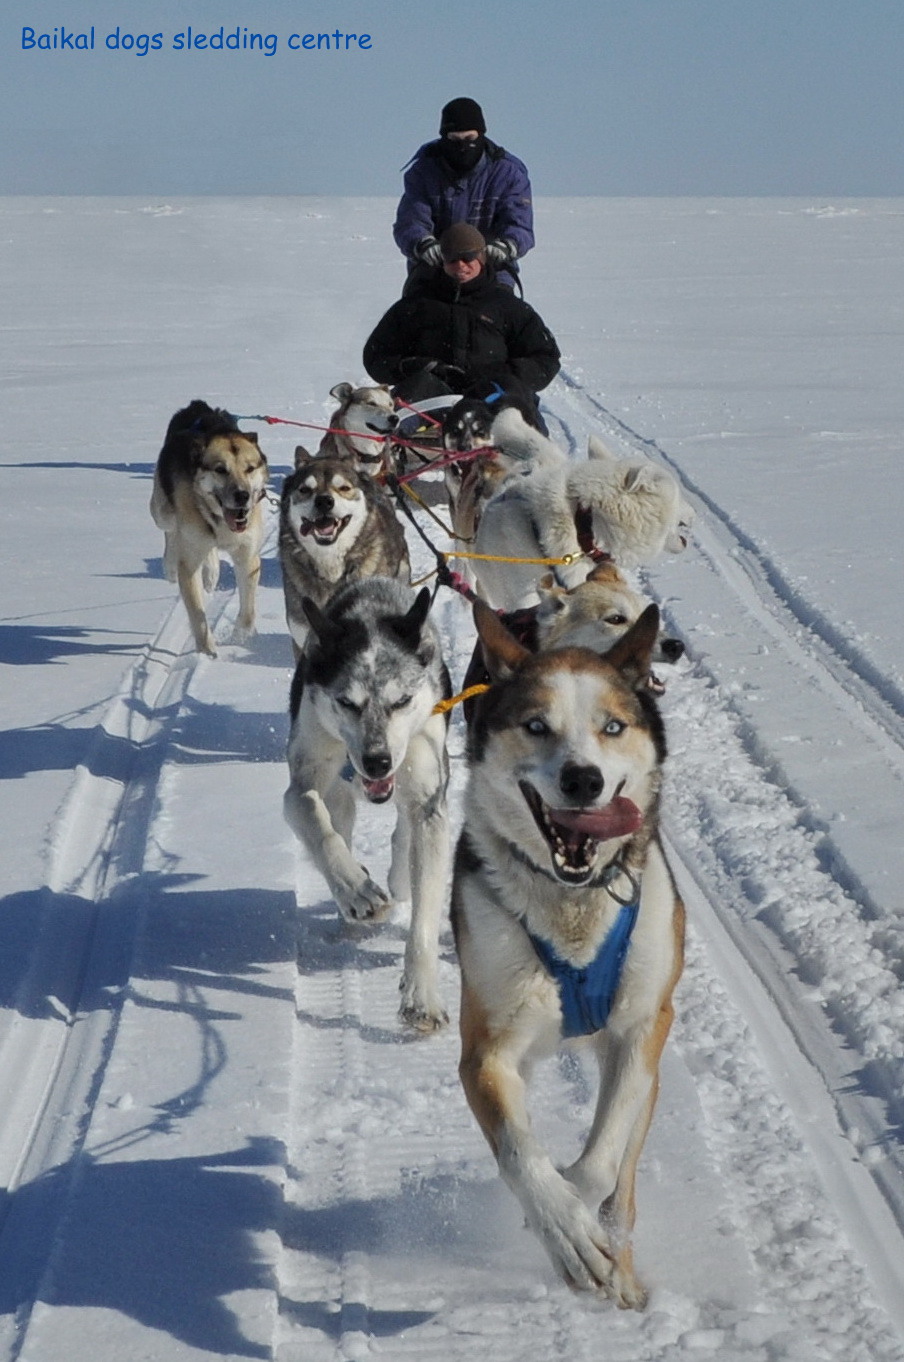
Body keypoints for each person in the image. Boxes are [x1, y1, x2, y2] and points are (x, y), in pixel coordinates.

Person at [362, 223, 560, 414]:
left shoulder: (507, 306)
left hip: (492, 398)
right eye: (452, 260)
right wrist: (414, 367)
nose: (460, 266)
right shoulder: (416, 305)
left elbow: (545, 358)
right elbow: (376, 355)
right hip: (428, 400)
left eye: (468, 258)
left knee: (526, 427)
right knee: (390, 423)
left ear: (481, 258)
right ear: (442, 261)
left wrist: (501, 374)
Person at [393, 97, 534, 293]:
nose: (462, 148)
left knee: (503, 317)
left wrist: (506, 246)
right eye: (454, 140)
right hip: (434, 273)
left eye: (469, 140)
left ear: (481, 135)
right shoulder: (423, 171)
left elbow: (519, 224)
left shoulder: (508, 173)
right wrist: (423, 244)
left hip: (492, 274)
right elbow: (410, 221)